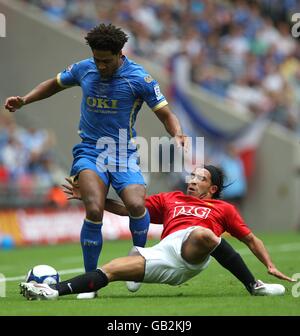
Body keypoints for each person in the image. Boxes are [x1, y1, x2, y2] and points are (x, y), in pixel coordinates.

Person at [5, 24, 188, 299]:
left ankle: (137, 260)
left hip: (124, 152)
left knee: (137, 204)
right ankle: (90, 282)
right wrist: (25, 100)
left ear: (119, 54)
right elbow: (54, 85)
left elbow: (165, 113)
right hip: (90, 150)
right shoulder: (84, 68)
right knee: (93, 208)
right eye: (97, 59)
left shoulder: (139, 78)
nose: (100, 66)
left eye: (106, 61)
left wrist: (178, 133)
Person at [19, 165, 294, 301]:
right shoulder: (170, 199)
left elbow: (250, 239)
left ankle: (254, 286)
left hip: (195, 249)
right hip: (165, 254)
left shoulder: (223, 209)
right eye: (192, 175)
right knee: (110, 270)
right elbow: (129, 209)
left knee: (204, 235)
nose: (192, 180)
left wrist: (269, 265)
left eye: (201, 178)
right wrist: (91, 200)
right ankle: (51, 290)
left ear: (212, 189)